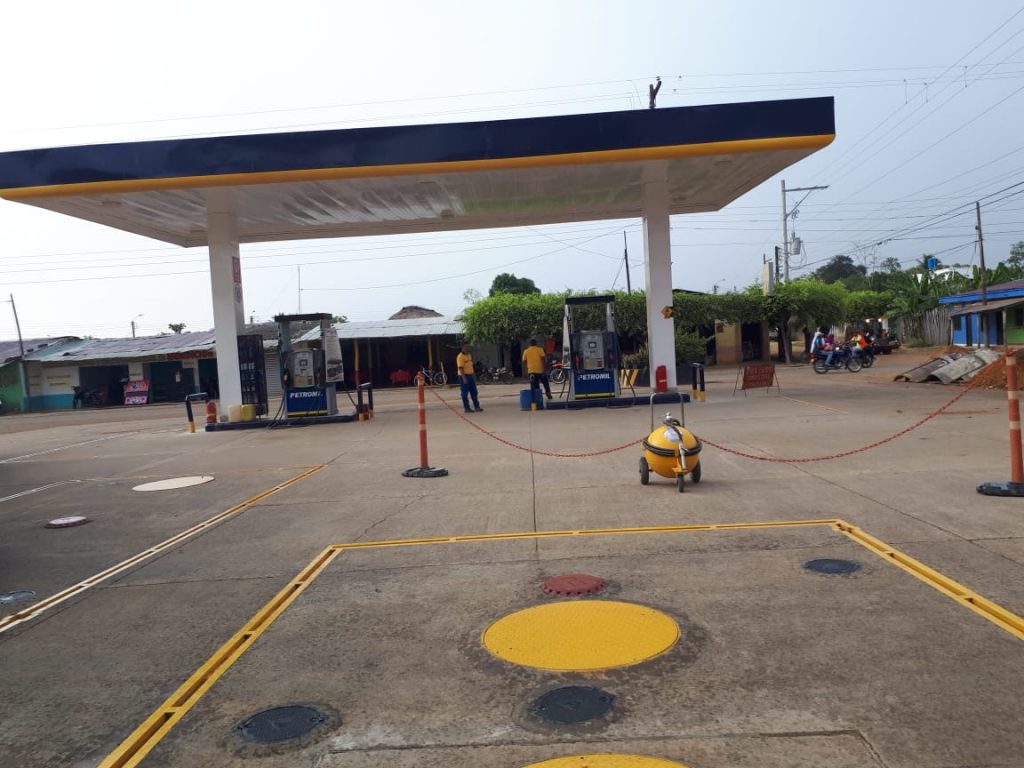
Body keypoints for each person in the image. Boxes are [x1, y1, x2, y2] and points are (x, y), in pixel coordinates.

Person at [455, 343, 483, 414]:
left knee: (474, 392)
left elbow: (470, 366)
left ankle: (477, 407)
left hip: (470, 376)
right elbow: (461, 368)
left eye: (468, 347)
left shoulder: (469, 355)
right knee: (464, 393)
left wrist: (473, 375)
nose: (468, 348)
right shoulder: (460, 357)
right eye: (466, 347)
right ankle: (466, 408)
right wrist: (464, 378)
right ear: (462, 348)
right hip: (463, 376)